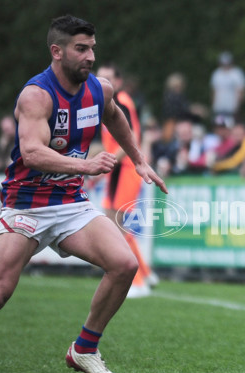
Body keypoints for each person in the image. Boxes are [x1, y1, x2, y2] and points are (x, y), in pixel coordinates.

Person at [0, 15, 167, 373]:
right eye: (81, 49)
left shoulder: (100, 90)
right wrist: (86, 165)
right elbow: (32, 153)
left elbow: (115, 118)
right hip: (26, 206)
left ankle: (84, 349)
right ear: (57, 51)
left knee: (124, 264)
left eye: (92, 49)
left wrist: (139, 160)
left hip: (70, 203)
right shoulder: (36, 95)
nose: (90, 57)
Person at [95, 62, 158, 297]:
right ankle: (145, 273)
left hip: (124, 168)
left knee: (116, 226)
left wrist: (108, 162)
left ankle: (137, 282)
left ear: (118, 82)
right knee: (117, 225)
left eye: (108, 78)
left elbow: (129, 137)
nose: (102, 83)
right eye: (99, 78)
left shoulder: (118, 100)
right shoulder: (114, 101)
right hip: (122, 168)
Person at [210, 51, 245, 119]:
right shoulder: (217, 74)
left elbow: (241, 91)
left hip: (232, 108)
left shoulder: (237, 73)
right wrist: (213, 105)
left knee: (231, 126)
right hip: (219, 107)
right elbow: (214, 91)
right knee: (219, 125)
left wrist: (238, 106)